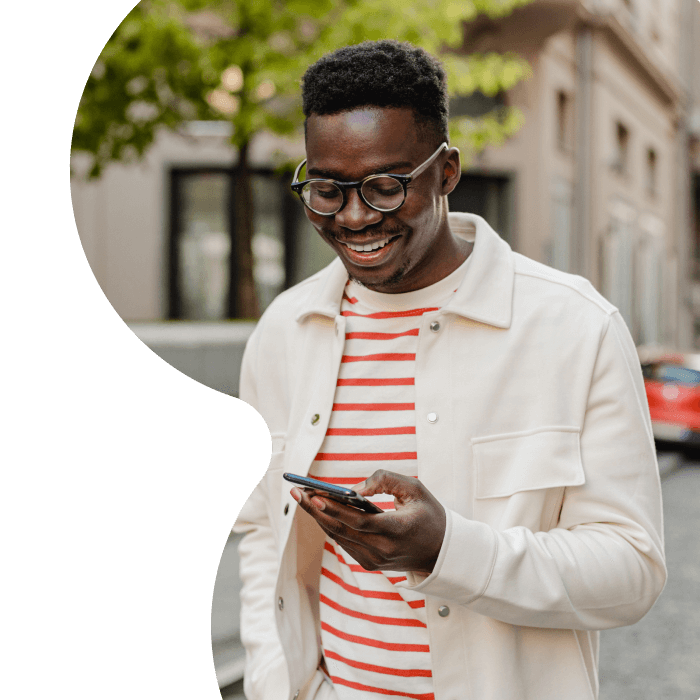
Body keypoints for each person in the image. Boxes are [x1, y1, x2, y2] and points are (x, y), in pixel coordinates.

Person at [232, 40, 666, 700]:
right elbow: (265, 531)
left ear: (448, 172)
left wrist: (446, 552)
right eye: (327, 190)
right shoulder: (283, 334)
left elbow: (631, 572)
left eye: (386, 186)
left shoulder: (577, 327)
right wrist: (279, 686)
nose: (353, 218)